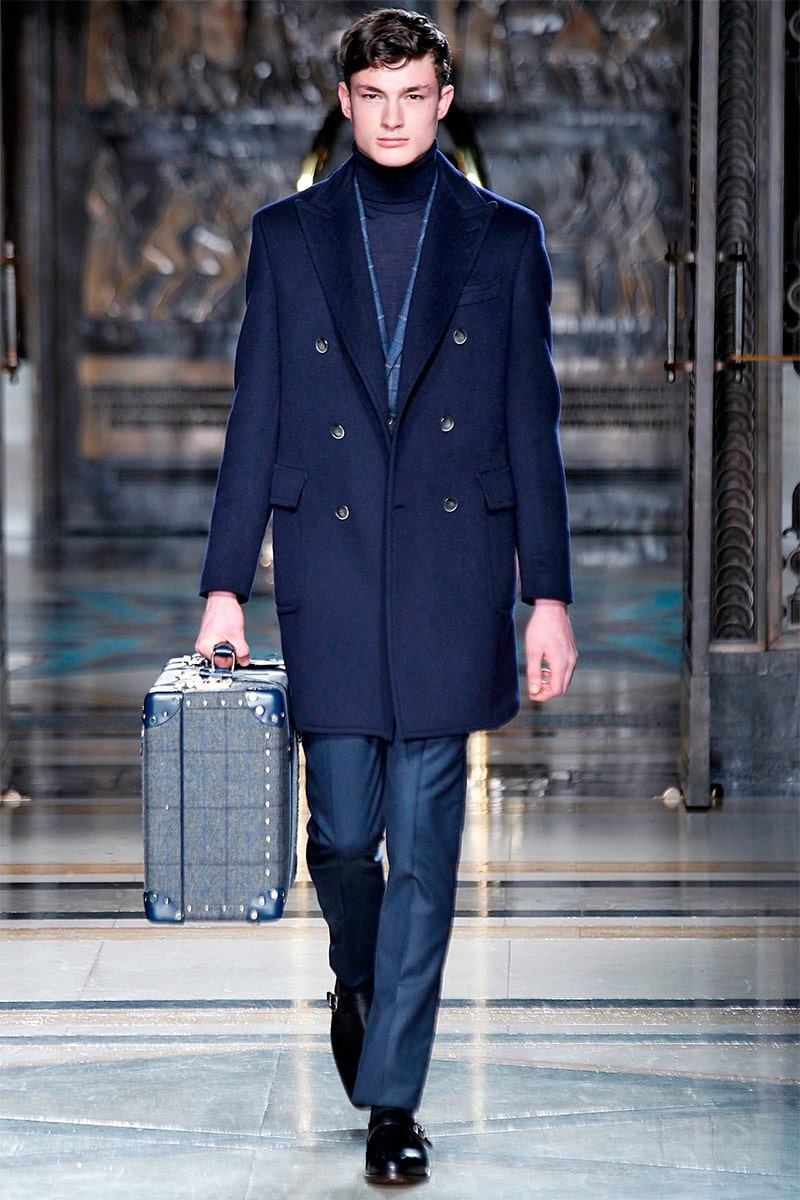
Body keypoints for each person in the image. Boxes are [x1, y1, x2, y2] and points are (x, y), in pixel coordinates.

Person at [196, 7, 577, 1185]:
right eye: (374, 97)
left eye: (414, 95)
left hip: (453, 577)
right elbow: (256, 415)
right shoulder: (288, 235)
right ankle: (355, 979)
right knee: (341, 835)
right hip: (330, 569)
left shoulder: (503, 240)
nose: (395, 117)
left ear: (443, 100)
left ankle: (392, 1101)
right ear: (345, 103)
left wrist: (546, 596)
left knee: (423, 848)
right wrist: (223, 586)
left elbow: (530, 426)